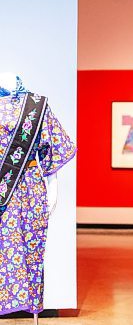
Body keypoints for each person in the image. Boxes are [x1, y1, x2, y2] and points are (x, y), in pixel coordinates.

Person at [0, 73, 76, 321]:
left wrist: (53, 186)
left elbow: (51, 149)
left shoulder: (37, 105)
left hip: (31, 187)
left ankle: (31, 302)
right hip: (5, 184)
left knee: (30, 246)